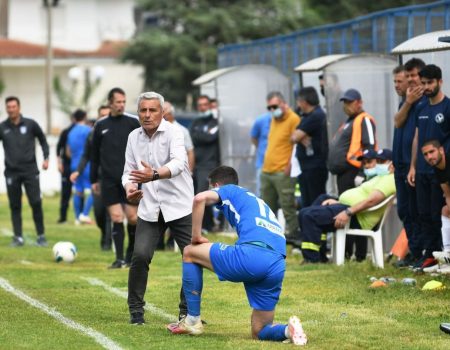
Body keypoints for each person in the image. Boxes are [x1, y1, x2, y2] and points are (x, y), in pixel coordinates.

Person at [166, 166, 307, 346]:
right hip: (277, 264)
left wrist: (196, 237)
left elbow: (199, 198)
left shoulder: (229, 190)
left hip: (253, 256)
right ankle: (289, 330)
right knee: (259, 330)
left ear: (216, 185)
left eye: (212, 187)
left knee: (189, 252)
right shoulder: (255, 200)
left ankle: (192, 320)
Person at [122, 91, 194, 325]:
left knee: (192, 257)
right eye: (143, 110)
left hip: (180, 205)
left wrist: (153, 174)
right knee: (140, 255)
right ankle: (136, 312)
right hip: (150, 206)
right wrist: (130, 188)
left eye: (152, 110)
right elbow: (128, 171)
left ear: (162, 112)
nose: (147, 114)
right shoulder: (133, 137)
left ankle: (187, 312)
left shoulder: (175, 132)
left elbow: (179, 164)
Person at [299, 149, 395, 263]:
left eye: (382, 161)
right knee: (320, 201)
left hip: (357, 216)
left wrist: (347, 212)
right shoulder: (380, 177)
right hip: (349, 208)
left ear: (392, 164)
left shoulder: (390, 179)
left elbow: (371, 201)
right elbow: (360, 197)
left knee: (308, 215)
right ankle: (320, 254)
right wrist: (339, 203)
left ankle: (312, 260)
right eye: (377, 161)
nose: (378, 164)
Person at [91, 87, 140, 268]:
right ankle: (119, 259)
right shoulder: (100, 125)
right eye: (118, 102)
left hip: (131, 177)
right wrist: (94, 180)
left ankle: (130, 257)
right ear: (110, 103)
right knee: (117, 217)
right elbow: (94, 155)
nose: (121, 105)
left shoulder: (134, 122)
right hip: (109, 180)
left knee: (133, 218)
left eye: (123, 102)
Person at [407, 64, 450, 270]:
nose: (426, 87)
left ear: (440, 82)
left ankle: (442, 254)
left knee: (437, 213)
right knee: (422, 213)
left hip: (440, 172)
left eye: (430, 83)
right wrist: (413, 166)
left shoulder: (448, 107)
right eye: (423, 83)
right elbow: (417, 137)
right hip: (421, 171)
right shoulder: (421, 107)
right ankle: (428, 254)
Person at [327, 88, 377, 261]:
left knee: (355, 213)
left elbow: (369, 148)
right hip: (343, 174)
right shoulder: (349, 121)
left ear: (359, 102)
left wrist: (363, 173)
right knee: (345, 210)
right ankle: (347, 252)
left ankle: (360, 255)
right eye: (345, 103)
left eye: (350, 102)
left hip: (354, 173)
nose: (347, 106)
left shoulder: (365, 119)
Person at [0, 96, 49, 247]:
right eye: (8, 107)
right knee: (15, 205)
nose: (11, 109)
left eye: (13, 106)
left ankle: (41, 236)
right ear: (6, 109)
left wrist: (46, 158)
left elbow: (43, 140)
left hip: (30, 171)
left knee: (35, 202)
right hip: (11, 172)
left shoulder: (30, 124)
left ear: (19, 107)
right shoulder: (3, 127)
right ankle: (18, 237)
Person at [392, 58, 426, 268]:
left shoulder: (424, 101)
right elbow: (398, 122)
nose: (400, 85)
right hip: (401, 165)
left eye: (400, 80)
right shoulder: (406, 102)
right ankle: (414, 251)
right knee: (404, 210)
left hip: (415, 166)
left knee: (417, 210)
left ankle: (422, 251)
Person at [70, 105, 112, 250]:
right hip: (98, 179)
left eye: (107, 115)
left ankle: (107, 243)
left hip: (114, 178)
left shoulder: (119, 132)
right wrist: (78, 171)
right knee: (99, 213)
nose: (104, 118)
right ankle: (104, 233)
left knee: (110, 213)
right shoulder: (92, 134)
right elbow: (86, 155)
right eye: (102, 115)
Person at [260, 91, 301, 239]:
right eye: (269, 107)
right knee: (266, 208)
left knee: (287, 206)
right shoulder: (274, 119)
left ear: (284, 104)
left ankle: (294, 236)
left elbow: (296, 145)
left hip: (283, 171)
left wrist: (290, 166)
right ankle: (269, 236)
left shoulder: (293, 119)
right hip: (267, 170)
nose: (272, 110)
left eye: (275, 106)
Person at [291, 86, 328, 207]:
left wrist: (299, 136)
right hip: (306, 167)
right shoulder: (306, 117)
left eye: (299, 102)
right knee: (306, 202)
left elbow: (294, 137)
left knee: (314, 202)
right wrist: (300, 136)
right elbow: (294, 135)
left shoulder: (316, 116)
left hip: (315, 167)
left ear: (304, 102)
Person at [189, 95, 220, 233]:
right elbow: (193, 137)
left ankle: (206, 226)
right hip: (196, 165)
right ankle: (207, 224)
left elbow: (211, 137)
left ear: (210, 105)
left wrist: (202, 135)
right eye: (200, 105)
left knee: (203, 195)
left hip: (209, 165)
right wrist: (203, 135)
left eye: (205, 104)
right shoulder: (196, 122)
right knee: (198, 195)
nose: (203, 107)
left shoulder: (216, 122)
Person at [421, 139, 450, 274]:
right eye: (425, 154)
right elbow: (448, 195)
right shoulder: (438, 169)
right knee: (445, 210)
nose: (429, 157)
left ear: (441, 150)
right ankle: (447, 256)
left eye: (431, 152)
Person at [66, 109, 93, 225]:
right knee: (95, 189)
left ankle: (77, 218)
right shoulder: (88, 130)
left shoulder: (70, 132)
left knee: (78, 191)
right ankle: (85, 214)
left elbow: (68, 151)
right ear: (85, 117)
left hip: (74, 164)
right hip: (86, 164)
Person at [56, 115, 75, 224]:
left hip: (78, 166)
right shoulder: (66, 132)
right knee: (66, 192)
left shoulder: (84, 131)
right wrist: (59, 163)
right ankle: (63, 217)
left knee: (80, 192)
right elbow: (59, 148)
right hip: (67, 166)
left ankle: (81, 216)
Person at [250, 111, 272, 196]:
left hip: (281, 165)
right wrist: (261, 150)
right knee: (262, 193)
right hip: (262, 164)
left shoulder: (290, 119)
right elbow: (253, 137)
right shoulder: (261, 120)